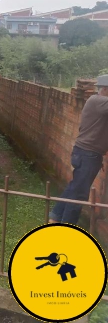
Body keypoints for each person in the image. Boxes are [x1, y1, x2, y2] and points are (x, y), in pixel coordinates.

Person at [49, 75, 108, 225]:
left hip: (85, 153)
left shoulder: (98, 103)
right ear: (105, 89)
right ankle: (67, 228)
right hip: (88, 154)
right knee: (79, 194)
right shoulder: (97, 101)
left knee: (74, 188)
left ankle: (55, 218)